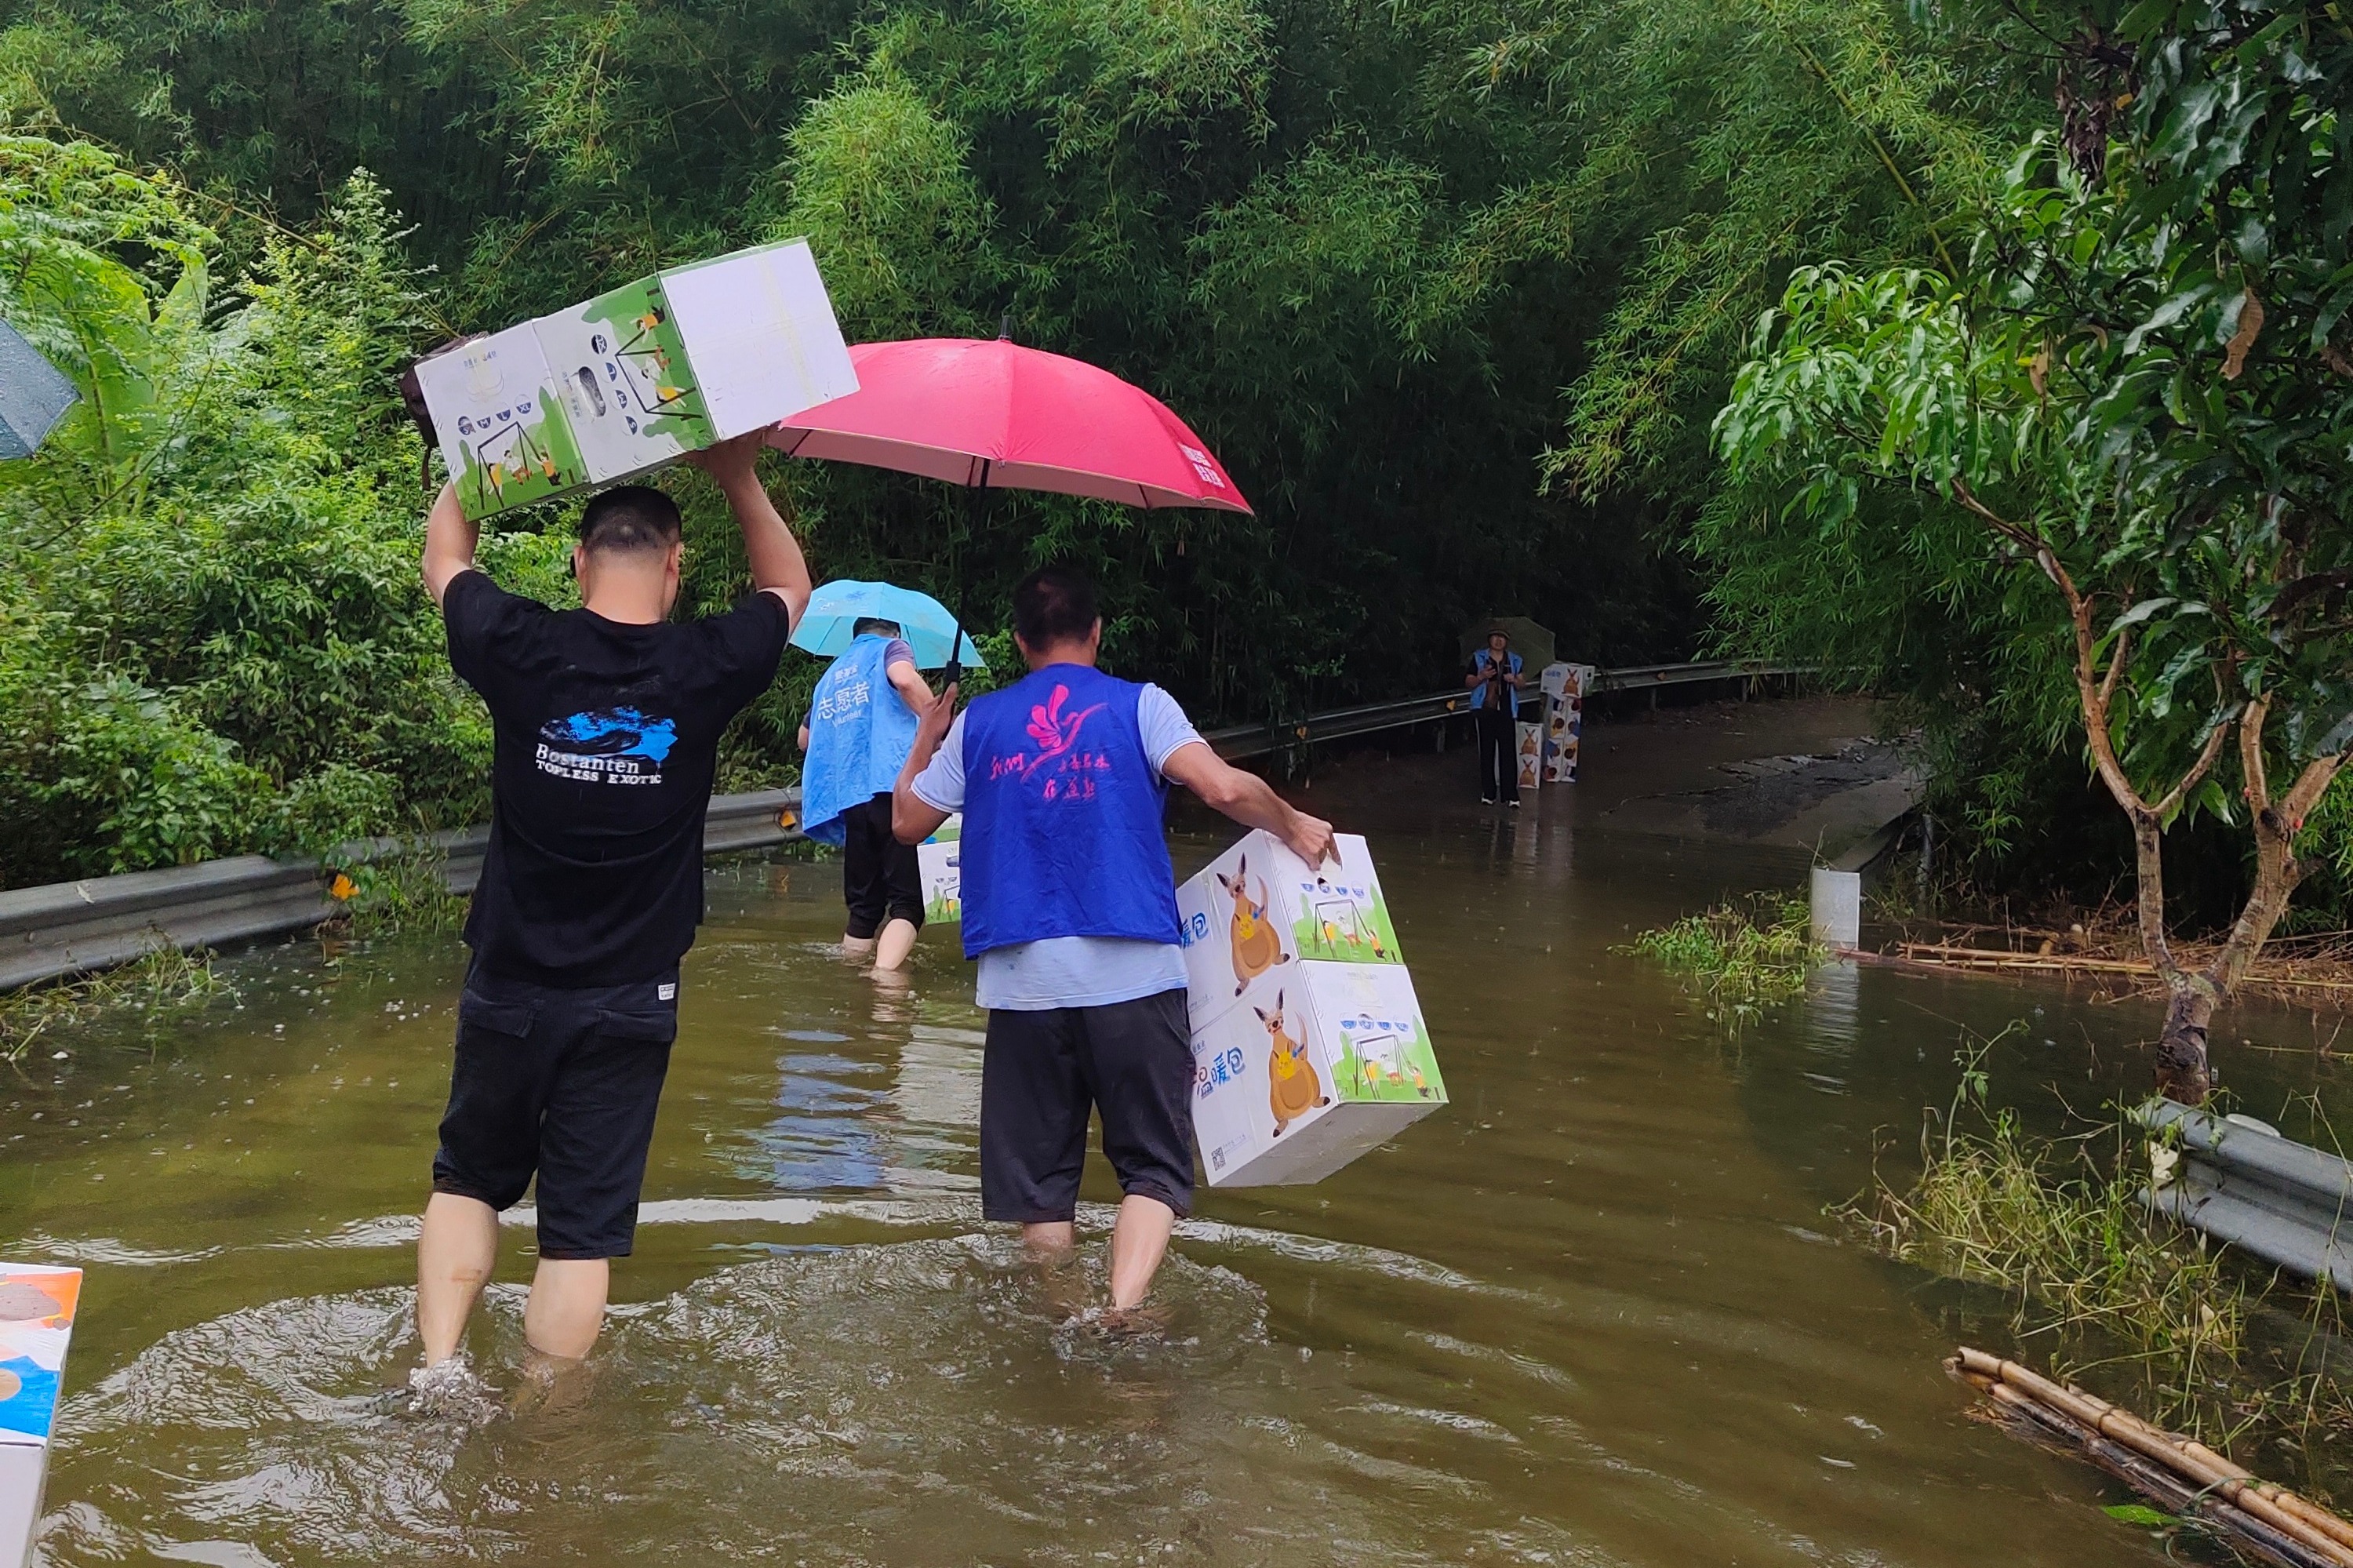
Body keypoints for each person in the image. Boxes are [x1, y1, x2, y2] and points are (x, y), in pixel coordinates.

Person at [412, 432, 810, 1392]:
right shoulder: (707, 665)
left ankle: (435, 1375)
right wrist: (737, 472)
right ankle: (546, 1423)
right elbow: (792, 591)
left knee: (467, 1178)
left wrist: (483, 450)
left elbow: (444, 561)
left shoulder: (522, 646)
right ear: (677, 564)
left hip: (508, 977)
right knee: (581, 1230)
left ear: (578, 559)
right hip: (631, 996)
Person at [890, 567, 1337, 1316]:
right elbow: (1224, 789)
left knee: (1041, 1188)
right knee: (1154, 1171)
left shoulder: (978, 724)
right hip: (1136, 981)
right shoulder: (1143, 707)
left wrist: (925, 738)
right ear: (1098, 632)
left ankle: (1063, 1319)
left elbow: (906, 821)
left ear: (1021, 641)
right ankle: (1121, 1311)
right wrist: (1292, 823)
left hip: (1022, 989)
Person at [798, 617, 933, 972]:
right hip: (895, 793)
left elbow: (804, 739)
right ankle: (883, 987)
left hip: (852, 799)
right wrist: (936, 718)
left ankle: (851, 985)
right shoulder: (891, 649)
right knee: (907, 904)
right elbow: (904, 679)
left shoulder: (833, 675)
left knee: (864, 907)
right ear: (894, 632)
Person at [1464, 628, 1523, 807]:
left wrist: (1514, 679)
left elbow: (1522, 684)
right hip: (1485, 709)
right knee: (1487, 750)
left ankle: (1511, 794)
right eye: (1495, 637)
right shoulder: (1479, 658)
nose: (1498, 641)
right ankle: (1488, 792)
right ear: (1489, 639)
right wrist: (1481, 676)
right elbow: (1468, 682)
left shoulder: (1514, 660)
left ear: (1507, 641)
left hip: (1506, 710)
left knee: (1508, 751)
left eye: (1502, 638)